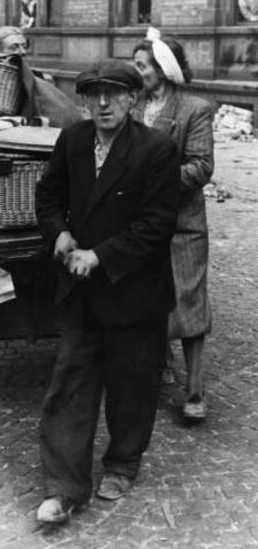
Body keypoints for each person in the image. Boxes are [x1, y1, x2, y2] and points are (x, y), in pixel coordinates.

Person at [35, 60, 180, 524]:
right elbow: (49, 195)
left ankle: (122, 462)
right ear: (83, 100)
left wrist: (99, 256)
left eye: (114, 94)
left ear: (133, 100)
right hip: (81, 291)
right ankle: (64, 487)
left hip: (134, 291)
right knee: (70, 384)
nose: (102, 104)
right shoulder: (73, 140)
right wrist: (57, 232)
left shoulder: (155, 149)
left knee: (131, 387)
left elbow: (158, 224)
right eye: (93, 94)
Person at [133, 32, 214, 421]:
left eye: (142, 66)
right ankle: (150, 377)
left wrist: (150, 182)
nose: (137, 72)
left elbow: (200, 167)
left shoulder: (194, 109)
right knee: (145, 301)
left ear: (163, 69)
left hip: (182, 224)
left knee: (189, 304)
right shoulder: (133, 107)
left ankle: (195, 392)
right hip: (140, 226)